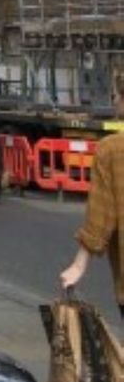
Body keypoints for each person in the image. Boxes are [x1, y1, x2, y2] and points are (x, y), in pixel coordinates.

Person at [60, 75, 124, 314]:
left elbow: (101, 217)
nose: (115, 100)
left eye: (117, 95)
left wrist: (78, 266)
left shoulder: (112, 149)